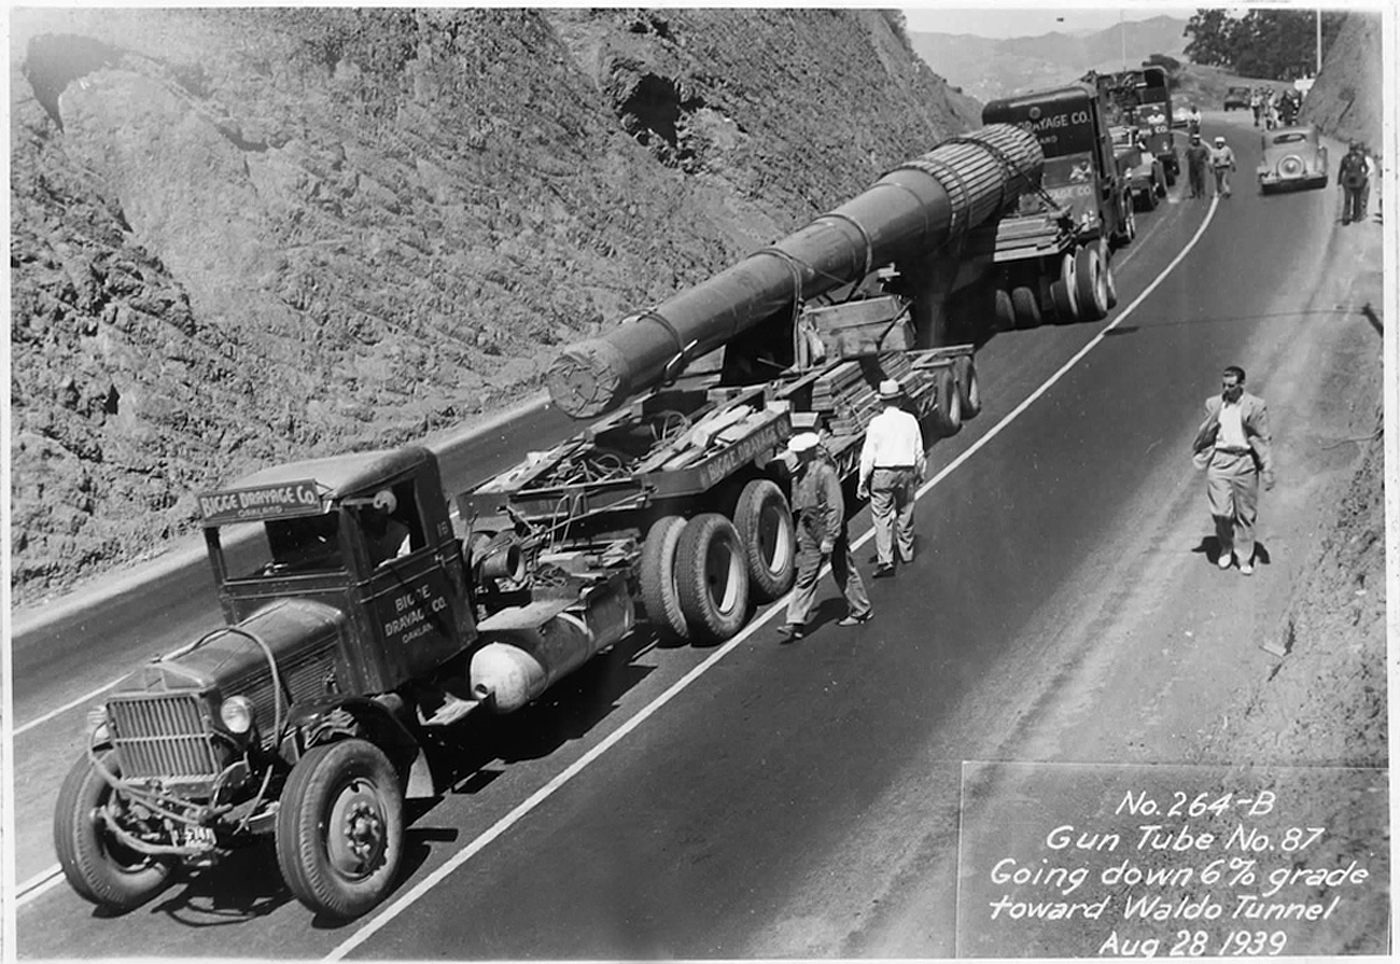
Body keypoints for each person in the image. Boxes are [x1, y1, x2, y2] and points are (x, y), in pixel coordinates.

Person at [779, 432, 872, 639]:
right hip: (811, 531)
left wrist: (830, 537)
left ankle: (861, 609)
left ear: (808, 453)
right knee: (806, 574)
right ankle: (795, 622)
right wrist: (802, 534)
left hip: (829, 529)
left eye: (799, 453)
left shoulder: (825, 473)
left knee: (843, 569)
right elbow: (804, 508)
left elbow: (835, 507)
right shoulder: (801, 474)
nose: (796, 456)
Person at [1191, 366, 1274, 575]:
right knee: (1221, 511)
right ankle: (1226, 546)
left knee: (1245, 513)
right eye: (1224, 385)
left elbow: (1262, 437)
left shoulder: (1256, 406)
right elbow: (1207, 431)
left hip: (1244, 462)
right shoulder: (1213, 404)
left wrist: (1267, 468)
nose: (1226, 389)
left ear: (1241, 384)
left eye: (1231, 385)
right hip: (1220, 461)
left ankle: (1244, 556)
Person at [857, 379, 926, 577]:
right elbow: (918, 451)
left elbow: (868, 455)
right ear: (899, 399)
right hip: (906, 470)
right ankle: (907, 553)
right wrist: (920, 473)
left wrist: (863, 481)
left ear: (882, 402)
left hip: (883, 473)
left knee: (882, 517)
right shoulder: (910, 420)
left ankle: (886, 560)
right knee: (905, 512)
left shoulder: (876, 423)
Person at [1338, 141, 1370, 224]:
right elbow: (1341, 171)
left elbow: (1366, 168)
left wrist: (1363, 176)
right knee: (1347, 200)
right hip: (1348, 181)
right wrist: (1338, 182)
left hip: (1358, 182)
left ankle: (1357, 216)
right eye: (1351, 149)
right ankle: (1346, 217)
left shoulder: (1360, 158)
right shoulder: (1345, 159)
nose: (1352, 151)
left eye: (1353, 149)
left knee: (1357, 199)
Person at [1185, 133, 1210, 199]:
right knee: (1193, 180)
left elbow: (1207, 156)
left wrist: (1206, 160)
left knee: (1201, 179)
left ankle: (1201, 192)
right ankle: (1194, 192)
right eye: (1193, 139)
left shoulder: (1202, 147)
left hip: (1200, 166)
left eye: (1196, 139)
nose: (1194, 141)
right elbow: (1186, 154)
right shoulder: (1190, 147)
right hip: (1192, 166)